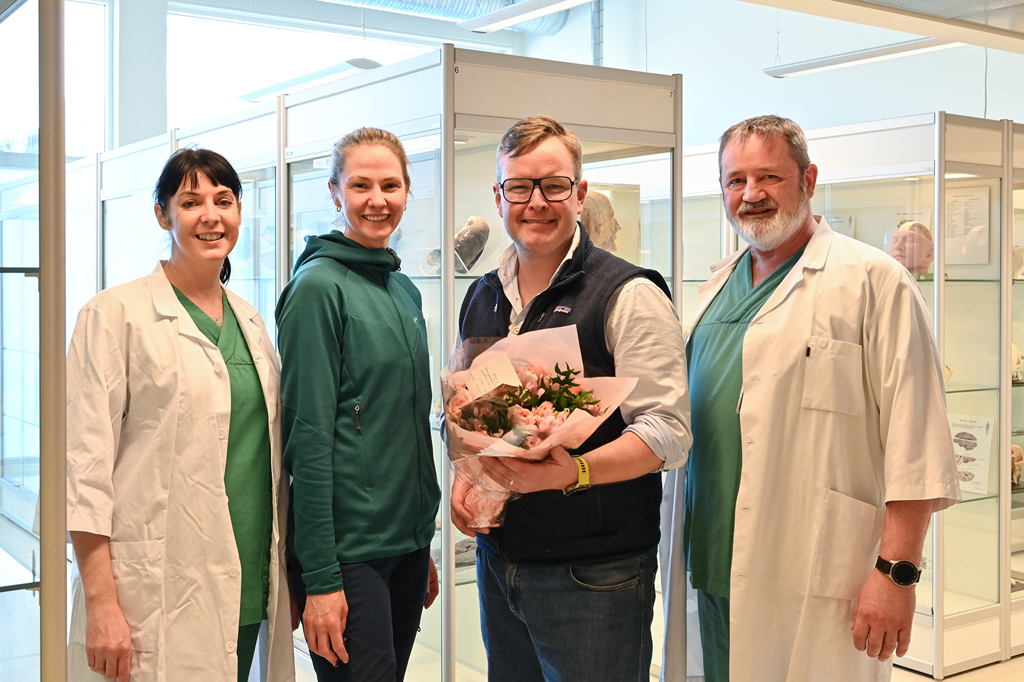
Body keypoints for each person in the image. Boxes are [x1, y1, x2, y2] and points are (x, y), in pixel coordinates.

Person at [662, 115, 961, 682]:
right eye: (735, 180)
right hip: (709, 557)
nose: (751, 194)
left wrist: (896, 573)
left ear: (808, 179)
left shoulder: (875, 281)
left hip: (818, 568)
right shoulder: (713, 290)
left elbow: (917, 439)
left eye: (768, 176)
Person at [451, 115, 692, 681]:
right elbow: (467, 410)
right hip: (499, 563)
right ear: (499, 196)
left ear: (579, 194)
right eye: (519, 187)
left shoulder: (628, 293)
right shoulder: (482, 294)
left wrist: (574, 472)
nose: (536, 202)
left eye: (554, 185)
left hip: (594, 578)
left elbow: (668, 433)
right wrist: (467, 478)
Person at [66, 148, 294, 682]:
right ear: (162, 215)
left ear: (239, 211)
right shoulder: (114, 315)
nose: (211, 216)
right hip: (155, 591)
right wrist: (101, 602)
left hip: (247, 580)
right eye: (191, 202)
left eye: (224, 200)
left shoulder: (251, 321)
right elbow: (84, 471)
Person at [276, 127, 441, 681]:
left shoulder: (402, 289)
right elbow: (308, 440)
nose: (378, 200)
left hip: (405, 546)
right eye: (360, 185)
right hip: (349, 554)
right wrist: (320, 577)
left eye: (390, 185)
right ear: (334, 192)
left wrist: (420, 540)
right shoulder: (318, 289)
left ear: (407, 191)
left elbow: (401, 427)